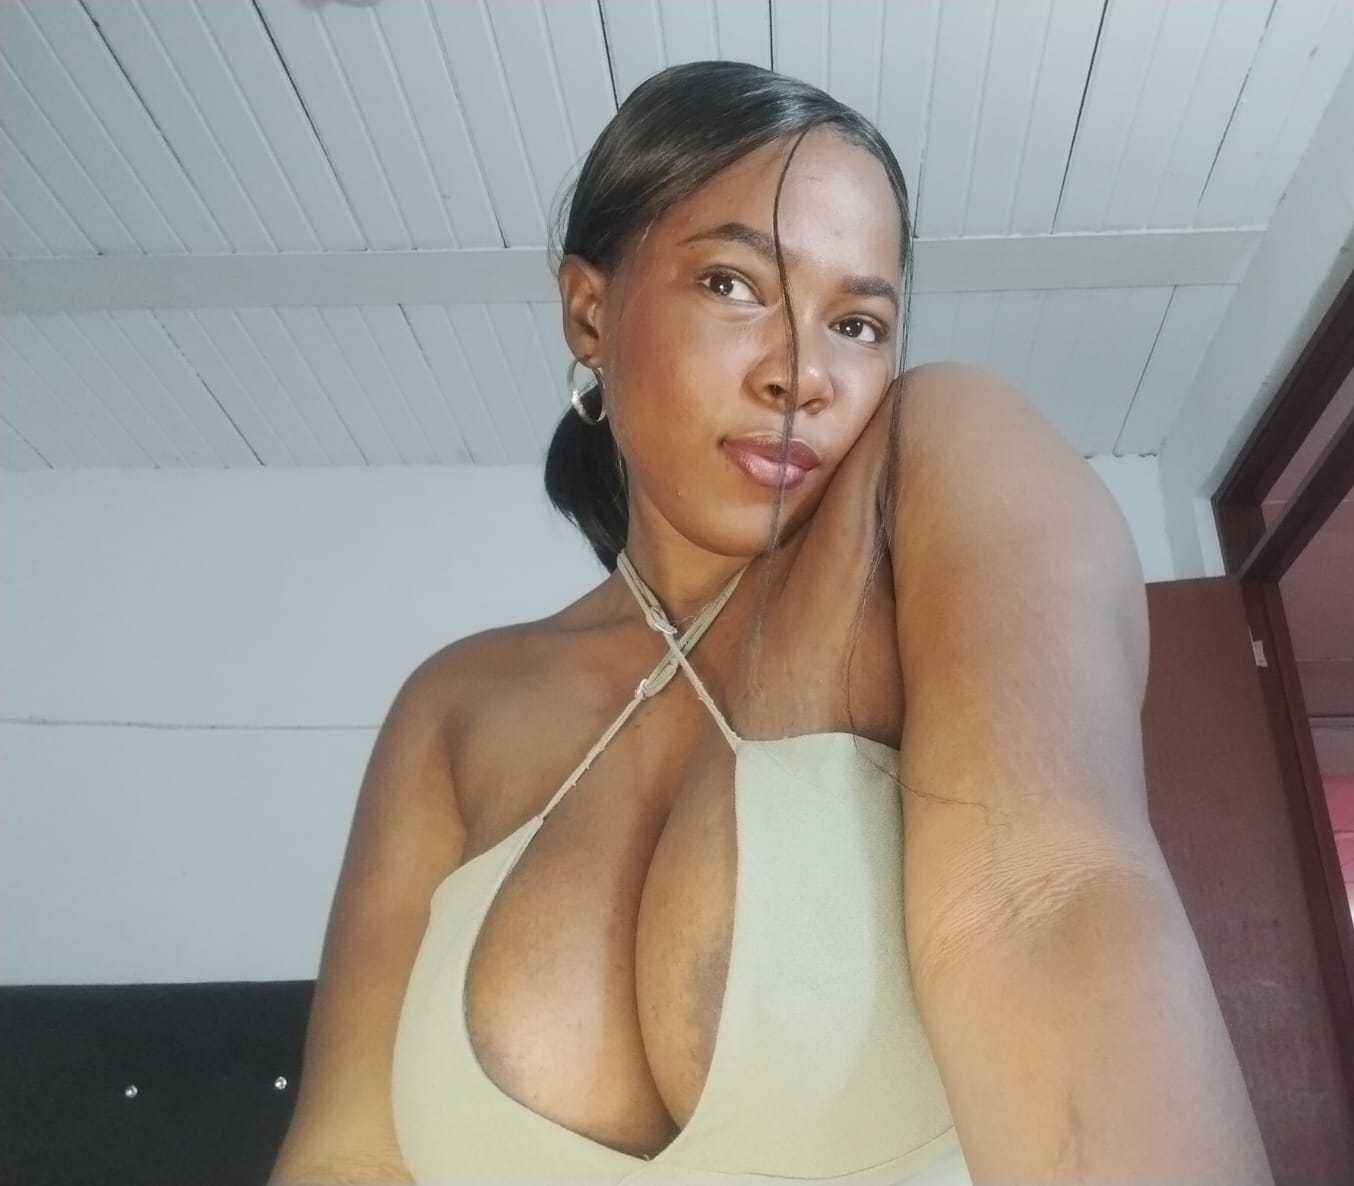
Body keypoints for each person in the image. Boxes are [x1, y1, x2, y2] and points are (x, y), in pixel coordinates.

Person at [268, 61, 1269, 1186]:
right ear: (590, 312)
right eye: (734, 285)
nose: (805, 374)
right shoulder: (455, 707)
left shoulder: (933, 480)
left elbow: (1053, 905)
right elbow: (344, 1157)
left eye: (856, 322)